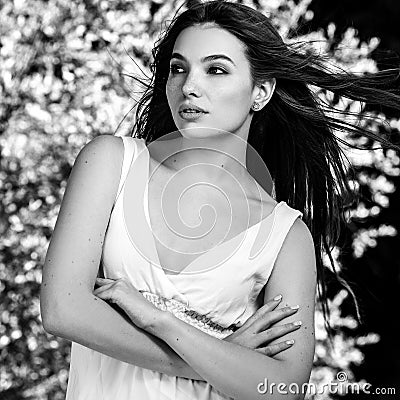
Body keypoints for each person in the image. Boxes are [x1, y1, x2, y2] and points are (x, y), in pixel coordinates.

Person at [40, 1, 400, 399]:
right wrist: (217, 356)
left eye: (216, 69)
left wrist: (160, 323)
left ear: (260, 92)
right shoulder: (111, 162)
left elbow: (283, 389)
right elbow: (63, 309)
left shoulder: (283, 235)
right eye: (179, 68)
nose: (190, 86)